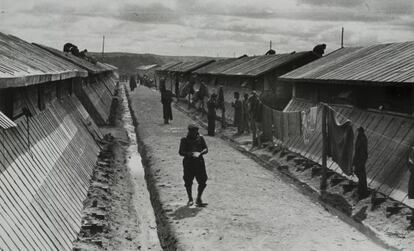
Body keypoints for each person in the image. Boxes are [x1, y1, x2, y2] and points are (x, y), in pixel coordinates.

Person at [179, 124, 209, 206]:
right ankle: (190, 198)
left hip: (199, 162)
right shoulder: (184, 140)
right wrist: (189, 154)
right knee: (188, 181)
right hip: (188, 163)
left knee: (203, 181)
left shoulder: (200, 138)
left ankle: (199, 198)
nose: (194, 133)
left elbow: (206, 148)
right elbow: (181, 152)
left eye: (196, 131)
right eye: (193, 132)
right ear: (189, 131)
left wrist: (201, 153)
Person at [353, 127, 369, 199]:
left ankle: (362, 190)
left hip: (360, 159)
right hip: (360, 158)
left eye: (359, 131)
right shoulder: (362, 137)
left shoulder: (361, 138)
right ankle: (362, 189)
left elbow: (359, 150)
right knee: (360, 173)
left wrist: (356, 160)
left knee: (360, 173)